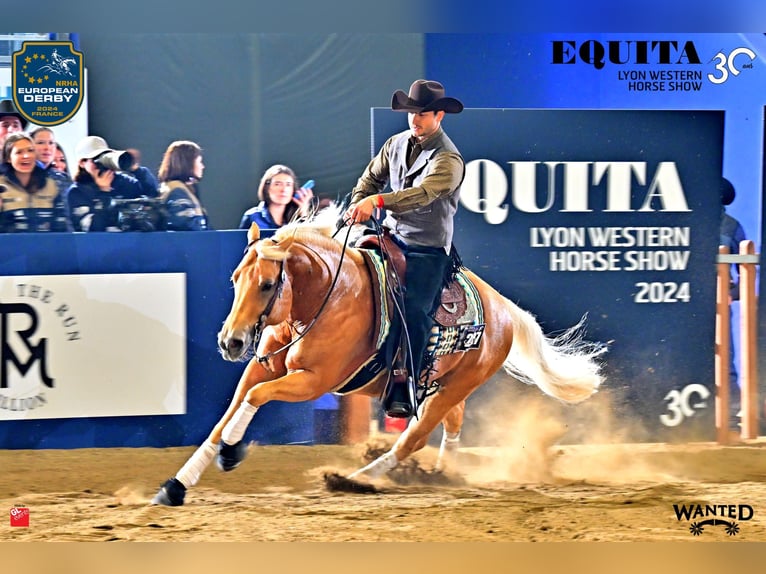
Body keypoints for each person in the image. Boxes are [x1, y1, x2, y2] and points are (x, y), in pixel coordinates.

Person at [343, 79, 465, 418]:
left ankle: (406, 380)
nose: (416, 119)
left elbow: (423, 194)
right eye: (412, 112)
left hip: (427, 248)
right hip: (391, 236)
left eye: (423, 113)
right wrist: (358, 203)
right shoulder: (394, 144)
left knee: (415, 311)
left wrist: (377, 200)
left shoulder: (449, 159)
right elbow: (370, 179)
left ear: (439, 115)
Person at [65, 135, 159, 232]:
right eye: (96, 159)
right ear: (82, 163)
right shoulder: (77, 192)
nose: (102, 164)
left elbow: (152, 194)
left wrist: (136, 170)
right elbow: (92, 229)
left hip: (130, 243)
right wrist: (104, 192)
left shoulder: (123, 182)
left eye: (105, 157)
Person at [720, 177, 747, 430]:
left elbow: (748, 268)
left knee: (725, 360)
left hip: (718, 302)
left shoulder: (730, 226)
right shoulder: (684, 220)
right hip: (682, 300)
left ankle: (730, 421)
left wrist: (733, 293)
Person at [0, 132, 69, 233]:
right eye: (19, 152)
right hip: (9, 246)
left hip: (47, 246)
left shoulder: (51, 183)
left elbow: (62, 225)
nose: (26, 156)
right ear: (8, 158)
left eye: (30, 150)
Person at [238, 164, 314, 231]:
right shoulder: (253, 216)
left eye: (288, 184)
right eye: (278, 184)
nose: (284, 189)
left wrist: (304, 212)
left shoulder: (296, 218)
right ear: (267, 188)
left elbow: (310, 242)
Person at [157, 140, 209, 231]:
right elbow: (186, 226)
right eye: (199, 161)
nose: (202, 166)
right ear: (187, 163)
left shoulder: (184, 188)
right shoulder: (177, 191)